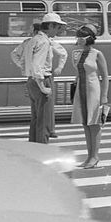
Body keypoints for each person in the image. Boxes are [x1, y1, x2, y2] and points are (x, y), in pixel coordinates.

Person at [22, 13, 66, 144]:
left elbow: (20, 57)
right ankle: (42, 148)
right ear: (51, 26)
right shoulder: (44, 41)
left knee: (36, 117)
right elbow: (38, 65)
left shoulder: (33, 40)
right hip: (42, 80)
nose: (58, 31)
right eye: (57, 27)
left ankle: (33, 146)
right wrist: (42, 86)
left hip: (31, 80)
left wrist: (28, 71)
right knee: (44, 119)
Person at [71, 24, 110, 169]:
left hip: (93, 89)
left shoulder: (97, 54)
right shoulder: (77, 53)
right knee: (85, 123)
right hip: (81, 90)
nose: (79, 39)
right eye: (78, 36)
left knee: (94, 123)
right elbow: (78, 72)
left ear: (89, 38)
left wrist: (104, 96)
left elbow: (105, 76)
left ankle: (95, 156)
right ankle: (89, 156)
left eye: (82, 36)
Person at [46, 22, 67, 138]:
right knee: (38, 107)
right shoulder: (31, 43)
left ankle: (50, 129)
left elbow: (63, 53)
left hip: (47, 75)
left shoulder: (50, 42)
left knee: (48, 105)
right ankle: (45, 129)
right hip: (35, 76)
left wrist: (59, 67)